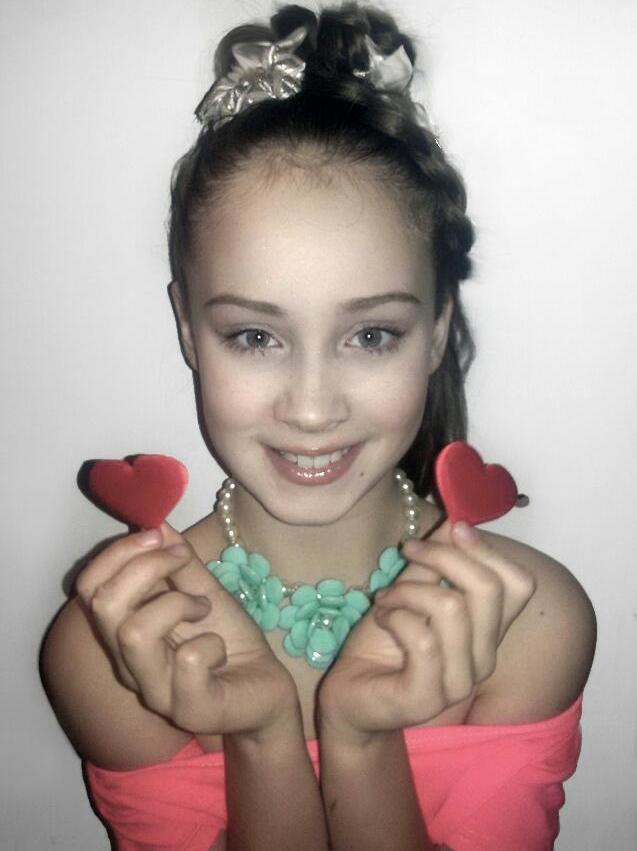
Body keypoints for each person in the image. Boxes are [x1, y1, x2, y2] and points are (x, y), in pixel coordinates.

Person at [40, 3, 596, 849]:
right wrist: (260, 731)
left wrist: (362, 739)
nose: (309, 408)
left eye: (370, 335)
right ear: (188, 330)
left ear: (436, 332)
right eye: (254, 336)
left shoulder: (529, 619)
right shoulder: (112, 644)